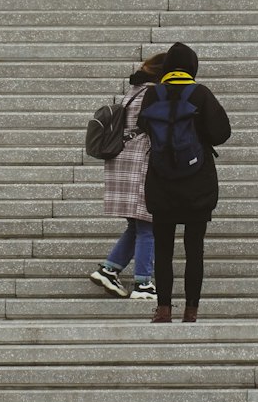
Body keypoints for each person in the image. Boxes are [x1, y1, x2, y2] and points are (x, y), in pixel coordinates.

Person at [138, 43, 231, 324]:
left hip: (161, 181)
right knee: (194, 248)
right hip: (196, 183)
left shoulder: (153, 94)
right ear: (192, 66)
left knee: (164, 249)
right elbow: (221, 133)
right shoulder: (200, 93)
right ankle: (191, 311)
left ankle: (163, 309)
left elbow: (144, 126)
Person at [89, 53, 166, 301]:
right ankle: (143, 283)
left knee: (137, 224)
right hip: (139, 162)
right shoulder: (151, 94)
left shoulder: (135, 90)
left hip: (124, 161)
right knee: (148, 224)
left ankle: (109, 269)